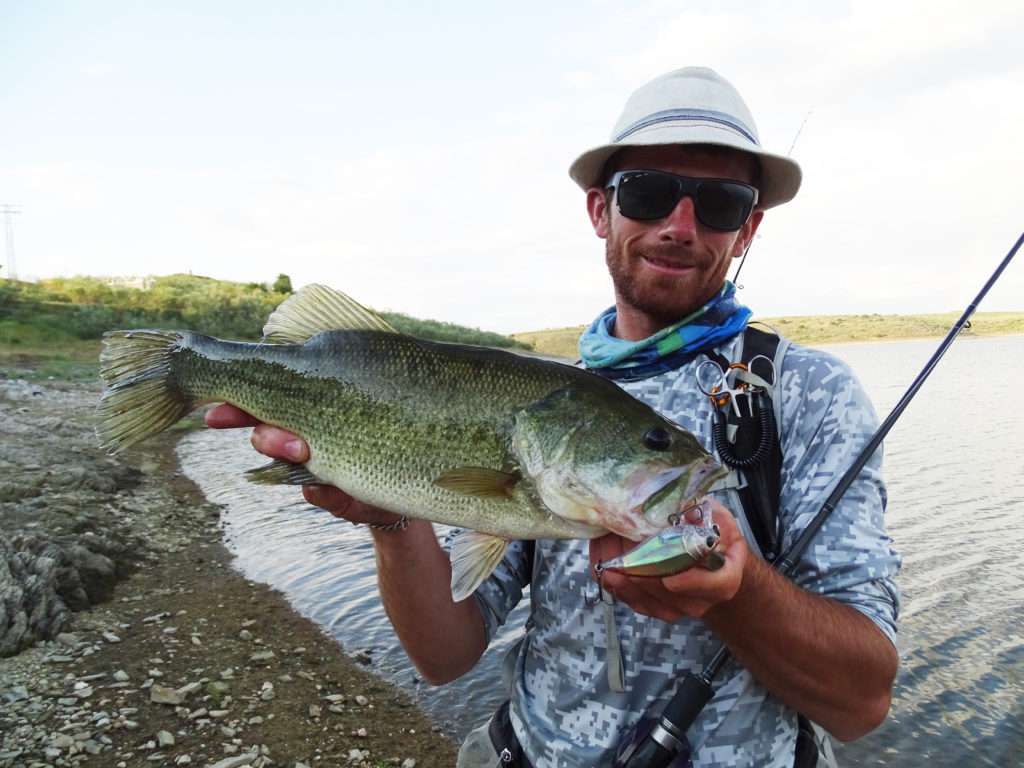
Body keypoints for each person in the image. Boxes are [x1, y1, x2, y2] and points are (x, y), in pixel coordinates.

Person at [207, 67, 901, 767]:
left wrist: (736, 594)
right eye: (649, 192)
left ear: (747, 229)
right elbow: (446, 654)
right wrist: (390, 516)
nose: (680, 226)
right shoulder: (552, 400)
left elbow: (863, 703)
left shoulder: (806, 393)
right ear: (602, 210)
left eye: (720, 203)